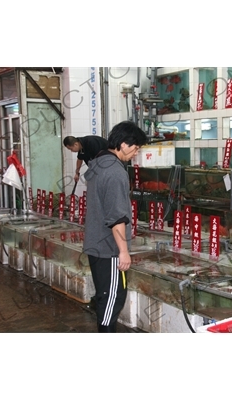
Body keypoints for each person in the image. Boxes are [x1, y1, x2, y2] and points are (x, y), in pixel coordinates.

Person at [82, 121, 148, 333]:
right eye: (135, 148)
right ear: (123, 144)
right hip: (109, 248)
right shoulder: (115, 172)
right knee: (112, 298)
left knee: (105, 295)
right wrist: (123, 252)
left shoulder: (99, 162)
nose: (135, 153)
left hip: (96, 243)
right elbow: (117, 216)